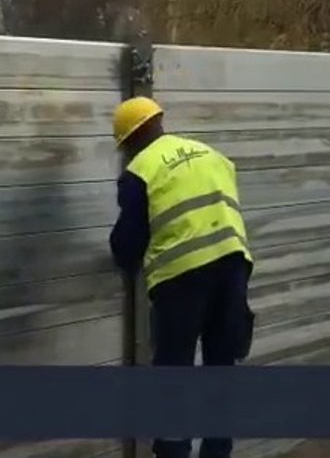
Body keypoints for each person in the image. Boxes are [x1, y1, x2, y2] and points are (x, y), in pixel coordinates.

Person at [109, 96, 255, 458]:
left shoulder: (140, 171)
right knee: (221, 369)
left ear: (129, 140)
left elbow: (128, 245)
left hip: (182, 280)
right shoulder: (208, 152)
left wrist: (119, 256)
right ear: (158, 122)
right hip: (233, 265)